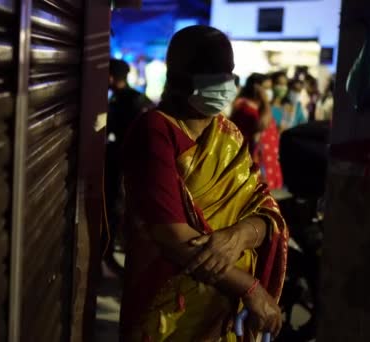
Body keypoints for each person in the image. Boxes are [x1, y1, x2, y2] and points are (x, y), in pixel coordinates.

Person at [120, 25, 288, 341]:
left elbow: (265, 208)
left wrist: (238, 235)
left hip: (223, 311)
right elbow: (174, 237)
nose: (225, 86)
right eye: (214, 77)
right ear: (181, 80)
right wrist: (251, 289)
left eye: (228, 75)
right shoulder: (155, 131)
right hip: (166, 308)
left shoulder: (229, 134)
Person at [103, 58, 154, 276]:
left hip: (128, 167)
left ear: (111, 77)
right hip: (127, 164)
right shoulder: (132, 98)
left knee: (120, 211)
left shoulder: (129, 101)